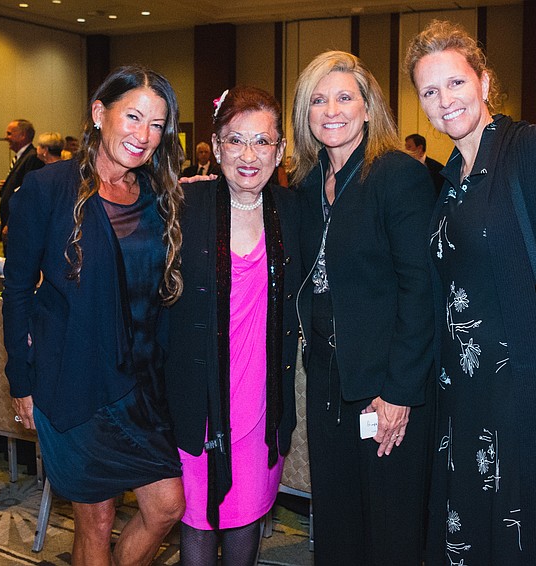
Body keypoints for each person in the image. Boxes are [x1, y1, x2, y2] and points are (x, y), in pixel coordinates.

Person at [405, 20, 536, 565]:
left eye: (456, 83)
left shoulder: (534, 151)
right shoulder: (449, 178)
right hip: (462, 402)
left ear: (485, 82)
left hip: (527, 403)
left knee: (519, 547)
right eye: (429, 90)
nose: (444, 100)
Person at [3, 66, 186, 565]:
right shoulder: (47, 188)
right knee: (97, 520)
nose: (143, 135)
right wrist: (21, 379)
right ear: (98, 113)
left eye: (156, 125)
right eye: (133, 116)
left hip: (141, 385)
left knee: (168, 506)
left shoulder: (157, 195)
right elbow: (16, 290)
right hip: (75, 379)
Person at [290, 51, 435, 565]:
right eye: (318, 99)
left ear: (369, 108)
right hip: (328, 379)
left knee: (389, 528)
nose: (331, 109)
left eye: (345, 97)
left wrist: (399, 391)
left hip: (386, 386)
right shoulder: (307, 185)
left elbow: (422, 291)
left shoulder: (397, 175)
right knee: (336, 520)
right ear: (304, 114)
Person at [165, 85, 300, 565]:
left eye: (263, 142)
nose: (249, 155)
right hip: (198, 402)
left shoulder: (292, 212)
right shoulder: (182, 208)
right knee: (198, 523)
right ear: (217, 146)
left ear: (280, 150)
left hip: (262, 405)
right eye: (236, 140)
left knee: (247, 522)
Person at [0, 119, 44, 241]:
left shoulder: (32, 158)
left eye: (9, 134)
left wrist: (10, 222)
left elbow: (27, 193)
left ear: (22, 135)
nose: (6, 137)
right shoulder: (21, 158)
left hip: (19, 226)